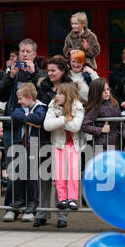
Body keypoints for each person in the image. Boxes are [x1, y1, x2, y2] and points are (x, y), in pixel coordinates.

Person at [0, 38, 45, 222]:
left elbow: (45, 94)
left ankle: (31, 207)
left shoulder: (40, 73)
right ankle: (13, 206)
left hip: (32, 129)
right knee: (13, 168)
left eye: (28, 52)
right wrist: (9, 76)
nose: (24, 54)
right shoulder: (12, 72)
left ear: (34, 54)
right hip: (12, 128)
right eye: (22, 51)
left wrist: (35, 74)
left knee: (31, 170)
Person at [33, 55, 72, 228]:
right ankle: (42, 213)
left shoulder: (71, 88)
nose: (49, 74)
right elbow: (39, 109)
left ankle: (62, 215)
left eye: (53, 70)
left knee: (61, 177)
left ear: (63, 71)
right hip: (45, 135)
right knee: (45, 175)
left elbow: (72, 110)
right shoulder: (43, 86)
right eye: (48, 70)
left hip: (64, 137)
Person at [44, 82, 86, 218]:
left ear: (67, 95)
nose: (56, 96)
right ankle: (62, 198)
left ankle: (72, 199)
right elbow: (47, 125)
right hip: (58, 143)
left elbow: (75, 127)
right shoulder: (53, 105)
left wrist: (59, 122)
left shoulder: (78, 107)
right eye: (56, 93)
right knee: (59, 172)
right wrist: (63, 119)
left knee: (73, 170)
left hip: (74, 144)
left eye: (60, 94)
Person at [8, 83, 47, 222]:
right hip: (23, 144)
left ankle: (32, 202)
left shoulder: (41, 107)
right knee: (18, 171)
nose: (19, 102)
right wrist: (29, 117)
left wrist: (27, 117)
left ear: (29, 97)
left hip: (35, 144)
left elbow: (39, 120)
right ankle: (19, 199)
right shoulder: (23, 108)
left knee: (31, 174)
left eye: (21, 99)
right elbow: (15, 114)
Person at [82, 78, 121, 151]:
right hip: (100, 144)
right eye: (103, 90)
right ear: (96, 92)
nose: (107, 92)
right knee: (100, 162)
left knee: (112, 162)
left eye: (107, 89)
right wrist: (101, 130)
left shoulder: (114, 103)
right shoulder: (96, 107)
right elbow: (84, 125)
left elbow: (120, 121)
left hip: (116, 142)